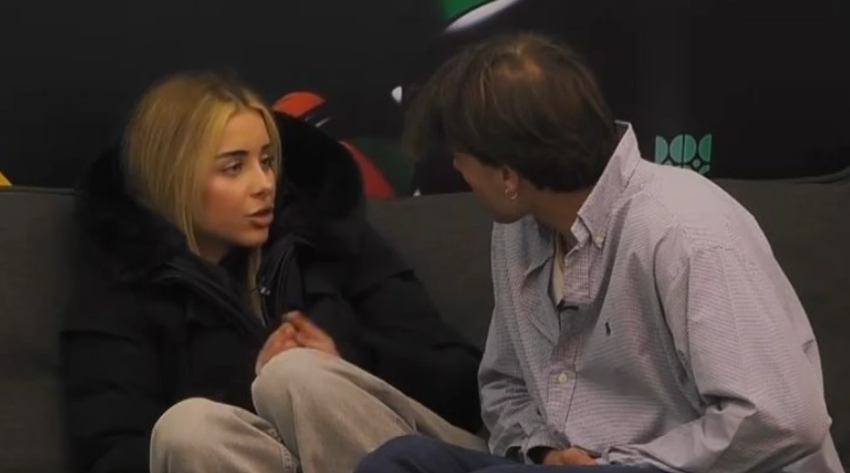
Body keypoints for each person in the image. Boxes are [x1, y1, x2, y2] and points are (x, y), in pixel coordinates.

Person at [352, 33, 845, 473]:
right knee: (400, 461)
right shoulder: (516, 231)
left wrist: (619, 466)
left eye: (461, 157)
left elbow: (780, 417)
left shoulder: (684, 230)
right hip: (582, 462)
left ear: (507, 175)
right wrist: (544, 452)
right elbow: (504, 384)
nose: (458, 169)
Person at [61, 73, 486, 473]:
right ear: (175, 178)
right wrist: (252, 383)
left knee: (297, 376)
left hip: (421, 455)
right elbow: (110, 456)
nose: (264, 183)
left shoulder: (327, 236)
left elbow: (462, 386)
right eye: (234, 167)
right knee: (185, 430)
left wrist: (345, 366)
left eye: (267, 161)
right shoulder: (123, 286)